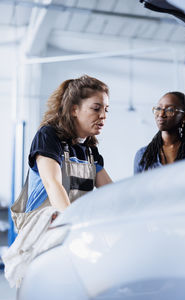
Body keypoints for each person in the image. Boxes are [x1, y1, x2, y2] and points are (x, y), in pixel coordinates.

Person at [3, 75, 112, 288]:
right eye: (96, 108)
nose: (103, 116)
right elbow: (53, 184)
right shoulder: (49, 136)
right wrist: (72, 223)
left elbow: (110, 190)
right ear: (74, 109)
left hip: (73, 225)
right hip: (47, 224)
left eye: (106, 110)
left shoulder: (90, 151)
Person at [134, 91, 185, 174]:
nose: (161, 114)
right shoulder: (143, 155)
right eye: (158, 108)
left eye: (170, 110)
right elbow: (138, 186)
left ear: (184, 116)